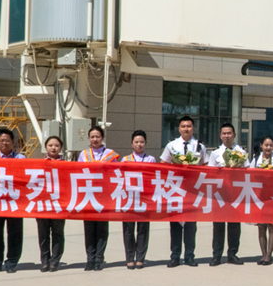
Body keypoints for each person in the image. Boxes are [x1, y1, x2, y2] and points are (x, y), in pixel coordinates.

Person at [159, 115, 208, 267]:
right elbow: (163, 164)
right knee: (175, 225)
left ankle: (189, 256)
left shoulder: (200, 146)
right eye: (183, 126)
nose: (186, 129)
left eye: (189, 126)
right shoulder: (172, 146)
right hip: (176, 190)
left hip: (192, 191)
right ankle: (175, 256)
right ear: (179, 128)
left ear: (193, 128)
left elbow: (206, 166)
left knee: (191, 226)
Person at [77, 125, 119, 271]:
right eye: (92, 137)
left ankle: (99, 258)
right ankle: (90, 258)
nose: (95, 139)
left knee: (101, 229)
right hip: (88, 195)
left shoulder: (111, 154)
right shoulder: (83, 154)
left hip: (103, 195)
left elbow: (115, 174)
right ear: (89, 138)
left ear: (102, 138)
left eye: (98, 136)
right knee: (89, 229)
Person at [0, 128, 25, 273]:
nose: (4, 143)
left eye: (7, 140)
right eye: (1, 140)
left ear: (12, 142)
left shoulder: (21, 159)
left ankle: (12, 261)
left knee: (15, 233)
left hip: (15, 202)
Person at [209, 122, 246, 267]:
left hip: (235, 194)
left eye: (229, 133)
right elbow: (210, 173)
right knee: (218, 226)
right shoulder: (215, 153)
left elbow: (247, 170)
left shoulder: (241, 152)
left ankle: (232, 254)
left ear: (234, 135)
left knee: (234, 226)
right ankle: (216, 256)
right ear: (220, 136)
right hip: (219, 194)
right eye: (224, 133)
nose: (226, 136)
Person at [121, 130, 155, 270]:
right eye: (136, 142)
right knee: (128, 229)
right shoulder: (125, 159)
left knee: (143, 229)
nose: (139, 144)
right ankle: (129, 257)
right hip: (129, 198)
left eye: (142, 142)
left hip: (144, 198)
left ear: (146, 143)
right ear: (131, 144)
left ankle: (140, 257)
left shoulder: (150, 159)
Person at [249, 136, 273, 265]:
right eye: (266, 145)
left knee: (272, 226)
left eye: (271, 145)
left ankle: (269, 255)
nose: (268, 147)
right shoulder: (256, 160)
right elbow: (251, 176)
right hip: (259, 197)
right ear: (261, 146)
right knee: (261, 226)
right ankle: (263, 254)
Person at [36, 136, 66, 272]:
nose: (53, 148)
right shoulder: (39, 164)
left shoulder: (67, 165)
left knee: (58, 233)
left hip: (59, 204)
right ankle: (44, 260)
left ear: (61, 148)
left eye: (57, 145)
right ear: (45, 147)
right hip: (42, 204)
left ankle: (55, 260)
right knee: (43, 233)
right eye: (50, 145)